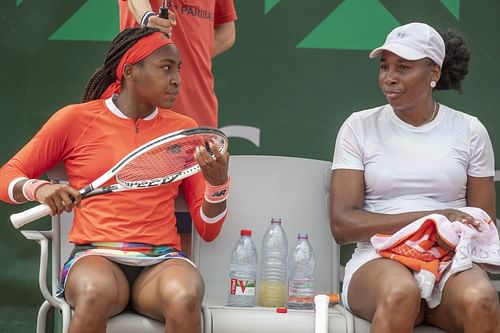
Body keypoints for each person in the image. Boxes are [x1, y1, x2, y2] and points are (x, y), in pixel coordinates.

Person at [0, 27, 230, 333]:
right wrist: (39, 188)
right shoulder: (74, 119)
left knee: (186, 298)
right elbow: (7, 176)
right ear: (130, 72)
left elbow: (208, 229)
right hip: (95, 256)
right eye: (165, 68)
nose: (177, 80)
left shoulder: (184, 130)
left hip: (161, 261)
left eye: (178, 69)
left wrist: (217, 185)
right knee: (94, 294)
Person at [330, 22, 500, 333]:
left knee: (482, 300)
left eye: (403, 67)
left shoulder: (470, 130)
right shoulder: (359, 126)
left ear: (433, 73)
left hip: (449, 261)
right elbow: (343, 225)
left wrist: (438, 244)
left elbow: (482, 221)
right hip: (377, 257)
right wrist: (430, 218)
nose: (389, 78)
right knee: (400, 293)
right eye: (384, 66)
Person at [118, 0, 237, 128]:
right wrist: (147, 17)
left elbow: (227, 33)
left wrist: (186, 59)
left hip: (200, 105)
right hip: (145, 108)